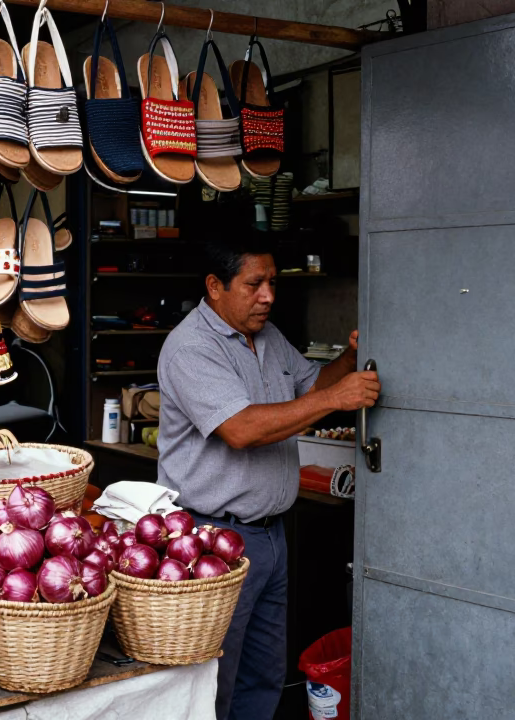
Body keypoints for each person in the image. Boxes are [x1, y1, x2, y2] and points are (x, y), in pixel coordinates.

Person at [156, 233, 381, 720]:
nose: (268, 296)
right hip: (212, 538)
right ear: (215, 286)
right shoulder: (191, 348)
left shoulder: (268, 337)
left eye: (272, 282)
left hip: (270, 536)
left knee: (262, 675)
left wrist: (346, 360)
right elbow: (240, 429)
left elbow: (309, 385)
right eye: (254, 284)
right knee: (213, 678)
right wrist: (334, 398)